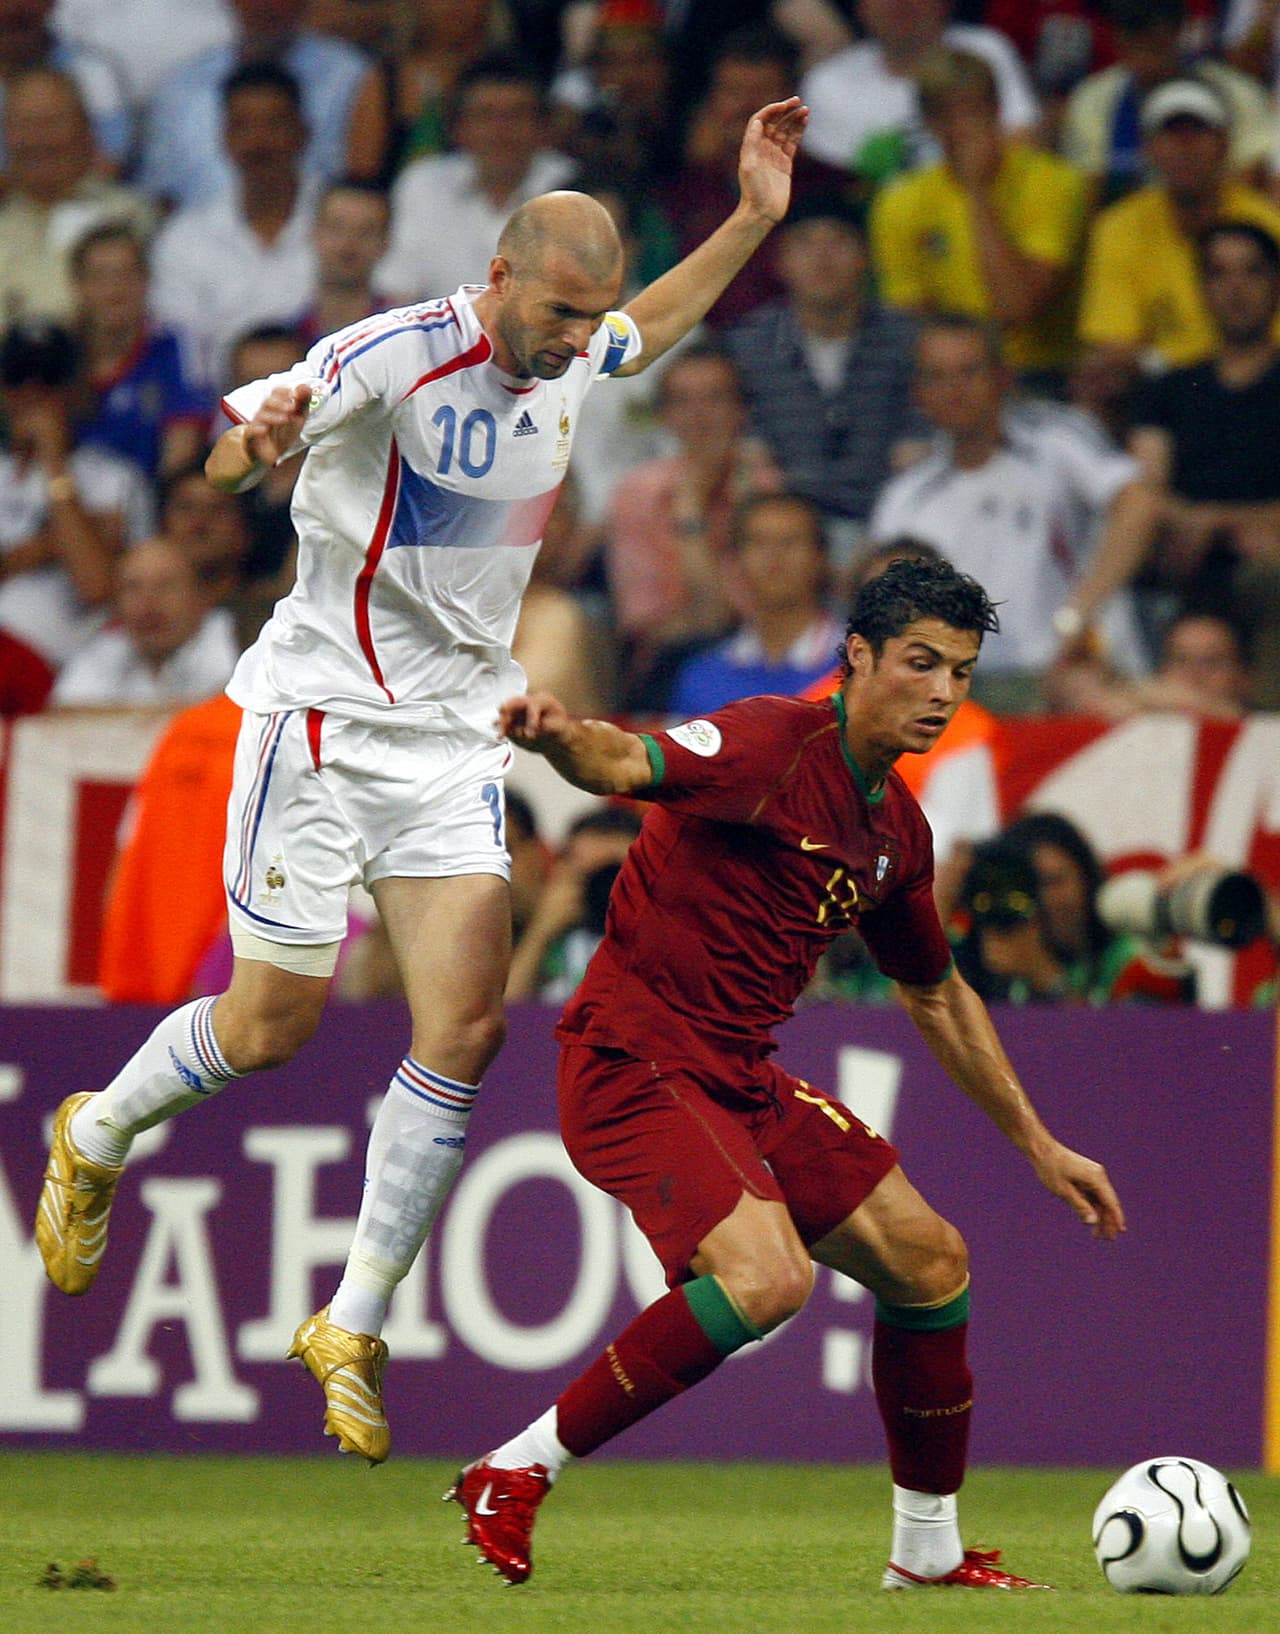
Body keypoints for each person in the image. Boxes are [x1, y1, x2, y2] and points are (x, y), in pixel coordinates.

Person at [32, 96, 812, 1470]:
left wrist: (752, 215)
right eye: (566, 313)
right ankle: (96, 1130)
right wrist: (257, 437)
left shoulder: (575, 344)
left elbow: (655, 327)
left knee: (466, 1027)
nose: (585, 341)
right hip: (317, 724)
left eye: (595, 319)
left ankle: (353, 1318)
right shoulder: (395, 351)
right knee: (274, 1021)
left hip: (453, 733)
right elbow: (228, 448)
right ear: (499, 276)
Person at [445, 555, 1124, 1590]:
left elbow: (937, 994)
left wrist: (1037, 1142)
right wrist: (556, 738)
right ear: (855, 657)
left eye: (961, 671)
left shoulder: (893, 825)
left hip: (735, 1075)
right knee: (765, 1278)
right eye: (919, 662)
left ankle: (926, 1553)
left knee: (929, 1261)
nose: (941, 691)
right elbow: (625, 761)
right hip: (633, 1057)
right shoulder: (768, 739)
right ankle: (510, 1469)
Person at [867, 314, 1161, 706]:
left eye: (968, 372)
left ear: (1003, 377)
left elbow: (1139, 503)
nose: (954, 390)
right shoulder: (905, 496)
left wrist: (1077, 616)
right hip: (963, 696)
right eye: (937, 377)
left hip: (1070, 675)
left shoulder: (1055, 438)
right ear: (918, 393)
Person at [1126, 220, 1280, 706]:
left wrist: (1217, 520)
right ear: (1202, 288)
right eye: (1219, 274)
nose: (1236, 289)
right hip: (1184, 570)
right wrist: (1193, 523)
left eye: (1251, 273)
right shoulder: (1169, 391)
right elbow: (1144, 490)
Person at [869, 45, 1089, 383]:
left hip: (1041, 374)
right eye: (944, 115)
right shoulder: (900, 202)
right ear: (928, 123)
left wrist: (977, 194)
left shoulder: (1055, 183)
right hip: (952, 379)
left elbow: (1017, 308)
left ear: (996, 110)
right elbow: (912, 320)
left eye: (971, 111)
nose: (959, 128)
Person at [723, 190, 925, 551]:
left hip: (895, 528)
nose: (822, 259)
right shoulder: (747, 347)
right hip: (785, 532)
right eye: (804, 244)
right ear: (779, 261)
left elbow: (920, 441)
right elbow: (745, 446)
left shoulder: (908, 342)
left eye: (838, 242)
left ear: (865, 257)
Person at [603, 342, 782, 709]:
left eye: (715, 398)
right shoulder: (637, 494)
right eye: (682, 401)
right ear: (664, 416)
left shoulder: (768, 493)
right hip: (668, 669)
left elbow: (743, 616)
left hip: (763, 664)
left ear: (741, 410)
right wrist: (690, 507)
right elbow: (648, 626)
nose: (699, 416)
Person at [1078, 74, 1280, 373]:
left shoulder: (1265, 222)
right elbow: (1112, 345)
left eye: (1198, 132)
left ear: (1224, 145)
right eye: (1171, 133)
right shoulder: (1119, 226)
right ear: (1148, 148)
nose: (1186, 148)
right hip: (1161, 394)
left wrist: (1162, 359)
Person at [148, 63, 320, 390]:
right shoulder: (184, 239)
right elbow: (185, 362)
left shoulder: (342, 224)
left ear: (303, 133)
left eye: (274, 124)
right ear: (224, 138)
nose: (259, 141)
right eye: (243, 126)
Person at [137, 0, 382, 209]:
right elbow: (160, 194)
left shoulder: (351, 77)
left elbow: (362, 183)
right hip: (200, 251)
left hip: (318, 244)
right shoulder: (183, 87)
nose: (265, 6)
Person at [376, 52, 577, 306]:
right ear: (458, 128)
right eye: (485, 115)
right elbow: (398, 291)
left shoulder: (571, 186)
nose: (500, 131)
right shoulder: (422, 184)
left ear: (542, 126)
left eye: (516, 115)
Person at [799, 0, 1038, 190]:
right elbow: (828, 187)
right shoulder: (827, 82)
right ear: (860, 6)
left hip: (976, 208)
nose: (899, 3)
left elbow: (1023, 144)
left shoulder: (984, 50)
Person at [1060, 0, 1273, 205]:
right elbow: (1090, 192)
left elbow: (1249, 179)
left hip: (1219, 226)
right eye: (1131, 42)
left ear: (1178, 31)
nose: (1143, 59)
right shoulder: (1092, 98)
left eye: (1153, 43)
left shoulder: (1238, 93)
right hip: (1130, 231)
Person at [0, 65, 153, 326]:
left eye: (52, 123)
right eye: (25, 125)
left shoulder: (126, 215)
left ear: (86, 131)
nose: (37, 140)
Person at [667, 490, 843, 714]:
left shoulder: (859, 671)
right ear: (735, 560)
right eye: (759, 543)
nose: (775, 557)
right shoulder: (702, 677)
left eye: (790, 542)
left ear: (821, 557)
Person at [70, 222, 213, 484]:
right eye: (99, 277)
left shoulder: (174, 349)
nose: (114, 291)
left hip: (148, 506)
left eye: (126, 275)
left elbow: (180, 459)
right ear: (77, 286)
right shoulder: (58, 353)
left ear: (147, 280)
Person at [49, 534, 238, 707]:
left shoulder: (237, 645)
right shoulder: (105, 650)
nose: (148, 603)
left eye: (165, 586)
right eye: (133, 587)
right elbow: (65, 714)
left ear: (201, 598)